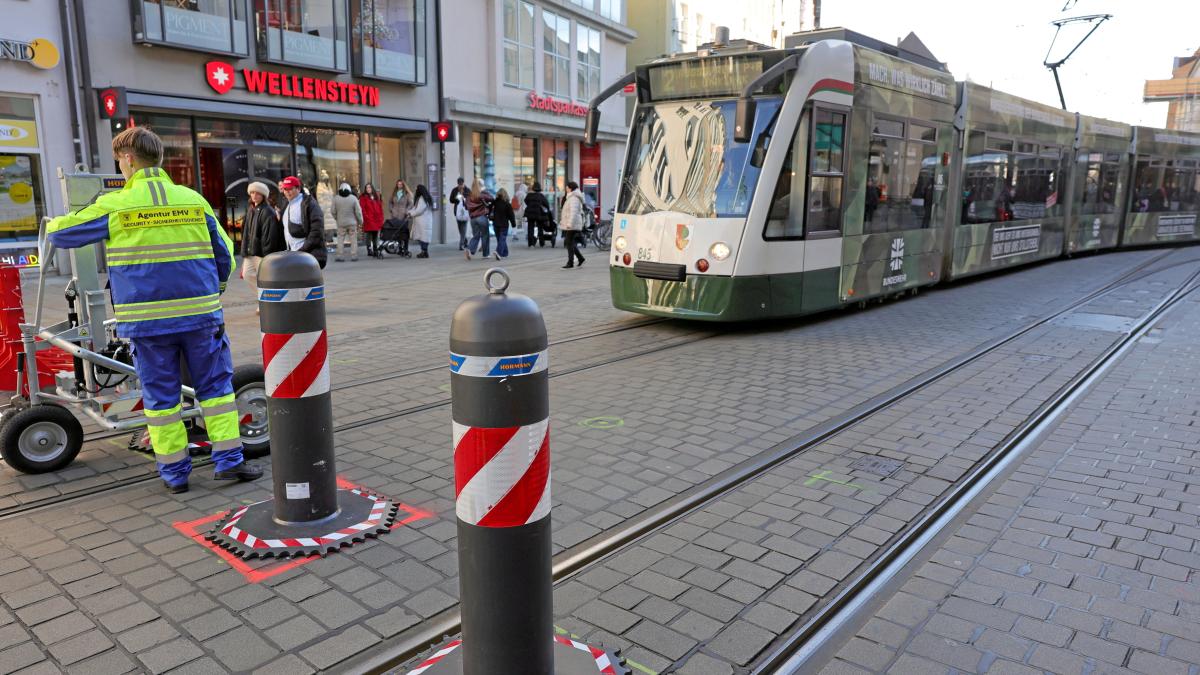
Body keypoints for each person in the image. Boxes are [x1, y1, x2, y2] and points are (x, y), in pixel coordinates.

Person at [46, 126, 262, 493]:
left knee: (162, 400)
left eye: (120, 162)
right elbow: (224, 254)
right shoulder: (192, 199)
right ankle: (229, 463)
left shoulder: (116, 205)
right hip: (200, 316)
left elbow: (61, 234)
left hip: (146, 325)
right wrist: (213, 291)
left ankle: (176, 476)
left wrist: (52, 222)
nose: (120, 167)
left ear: (129, 160)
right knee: (216, 391)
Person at [242, 182, 285, 307]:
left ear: (263, 195)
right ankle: (264, 299)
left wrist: (266, 254)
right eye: (252, 192)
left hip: (261, 253)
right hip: (251, 251)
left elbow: (270, 236)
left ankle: (267, 303)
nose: (254, 195)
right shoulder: (251, 209)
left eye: (257, 193)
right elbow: (246, 232)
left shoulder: (268, 211)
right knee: (247, 275)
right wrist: (244, 250)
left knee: (264, 279)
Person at [279, 176, 327, 268]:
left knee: (305, 281)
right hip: (292, 253)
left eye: (290, 189)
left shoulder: (308, 203)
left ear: (298, 188)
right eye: (285, 189)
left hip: (306, 254)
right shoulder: (285, 204)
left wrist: (303, 249)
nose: (287, 192)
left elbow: (317, 229)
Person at [464, 178, 494, 260]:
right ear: (480, 186)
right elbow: (492, 198)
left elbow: (466, 207)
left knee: (476, 236)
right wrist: (484, 191)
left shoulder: (469, 197)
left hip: (473, 219)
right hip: (482, 217)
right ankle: (485, 254)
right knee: (485, 236)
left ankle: (470, 249)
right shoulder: (482, 195)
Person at [331, 182, 363, 262]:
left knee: (340, 239)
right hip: (352, 223)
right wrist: (360, 221)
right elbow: (358, 212)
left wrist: (337, 218)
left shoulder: (336, 198)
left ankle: (340, 255)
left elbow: (332, 211)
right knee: (353, 239)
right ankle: (354, 255)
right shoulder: (353, 198)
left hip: (341, 222)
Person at [559, 180, 586, 269]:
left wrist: (569, 224)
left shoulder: (574, 198)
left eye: (567, 188)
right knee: (569, 242)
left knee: (568, 242)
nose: (566, 189)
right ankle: (580, 258)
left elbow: (573, 212)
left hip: (573, 224)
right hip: (573, 224)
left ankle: (570, 262)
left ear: (570, 188)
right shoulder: (571, 197)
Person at [388, 180, 413, 257]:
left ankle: (405, 249)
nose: (399, 185)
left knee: (404, 233)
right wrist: (391, 209)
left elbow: (411, 203)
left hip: (403, 216)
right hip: (395, 216)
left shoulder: (407, 194)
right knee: (397, 233)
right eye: (398, 184)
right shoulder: (394, 193)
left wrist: (406, 211)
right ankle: (400, 249)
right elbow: (390, 202)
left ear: (403, 185)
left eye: (401, 184)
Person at [360, 182, 384, 258]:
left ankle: (375, 249)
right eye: (367, 188)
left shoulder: (376, 196)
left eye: (369, 187)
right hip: (369, 219)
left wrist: (381, 217)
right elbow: (362, 209)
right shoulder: (363, 197)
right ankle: (369, 249)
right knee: (369, 235)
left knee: (375, 234)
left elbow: (380, 207)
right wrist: (366, 217)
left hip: (376, 219)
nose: (368, 189)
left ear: (372, 188)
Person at [491, 187, 516, 260]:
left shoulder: (495, 202)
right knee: (502, 238)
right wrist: (513, 224)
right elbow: (511, 215)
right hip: (504, 224)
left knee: (500, 239)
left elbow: (490, 209)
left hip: (496, 224)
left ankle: (505, 253)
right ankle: (498, 252)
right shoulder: (507, 204)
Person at [409, 184, 434, 258]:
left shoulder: (422, 199)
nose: (416, 191)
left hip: (423, 222)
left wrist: (411, 214)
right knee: (423, 237)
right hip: (423, 221)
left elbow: (419, 210)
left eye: (416, 189)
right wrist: (409, 212)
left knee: (423, 237)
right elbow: (415, 208)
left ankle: (424, 252)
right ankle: (424, 251)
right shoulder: (424, 198)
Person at [524, 181, 551, 247]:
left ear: (533, 188)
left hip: (530, 214)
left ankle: (531, 244)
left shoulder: (529, 195)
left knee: (530, 228)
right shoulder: (541, 196)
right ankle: (541, 243)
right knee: (540, 228)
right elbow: (546, 204)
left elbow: (526, 201)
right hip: (539, 214)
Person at [449, 176, 468, 250]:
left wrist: (464, 198)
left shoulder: (467, 190)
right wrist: (456, 199)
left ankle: (461, 244)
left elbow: (470, 199)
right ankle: (465, 241)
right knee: (460, 228)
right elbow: (451, 200)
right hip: (457, 212)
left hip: (465, 211)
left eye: (461, 184)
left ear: (463, 183)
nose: (460, 186)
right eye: (459, 184)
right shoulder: (454, 190)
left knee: (463, 228)